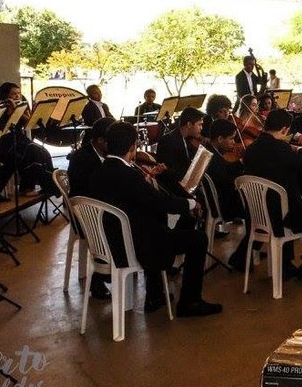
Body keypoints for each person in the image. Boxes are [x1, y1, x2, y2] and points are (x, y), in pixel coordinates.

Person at [87, 121, 221, 317]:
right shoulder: (127, 175)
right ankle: (190, 302)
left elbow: (139, 200)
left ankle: (156, 294)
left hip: (109, 241)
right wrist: (191, 204)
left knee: (157, 226)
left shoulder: (98, 171)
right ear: (132, 147)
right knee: (197, 239)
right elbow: (160, 203)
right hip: (133, 245)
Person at [229, 109, 302, 276]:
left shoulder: (251, 149)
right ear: (285, 130)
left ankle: (284, 264)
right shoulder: (282, 150)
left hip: (257, 214)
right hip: (281, 218)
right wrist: (299, 150)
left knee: (287, 199)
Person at [66, 116, 114, 299]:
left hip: (96, 207)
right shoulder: (82, 159)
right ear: (100, 140)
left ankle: (114, 269)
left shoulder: (103, 153)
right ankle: (102, 275)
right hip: (85, 214)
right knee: (122, 224)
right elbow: (90, 193)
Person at [203, 118, 246, 221]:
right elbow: (225, 180)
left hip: (223, 195)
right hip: (224, 204)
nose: (234, 142)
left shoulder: (210, 150)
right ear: (220, 139)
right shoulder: (211, 158)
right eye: (231, 139)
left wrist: (240, 162)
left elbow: (226, 167)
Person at [154, 107, 204, 186]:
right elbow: (167, 173)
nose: (201, 128)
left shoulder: (186, 139)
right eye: (199, 125)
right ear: (189, 124)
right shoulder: (168, 140)